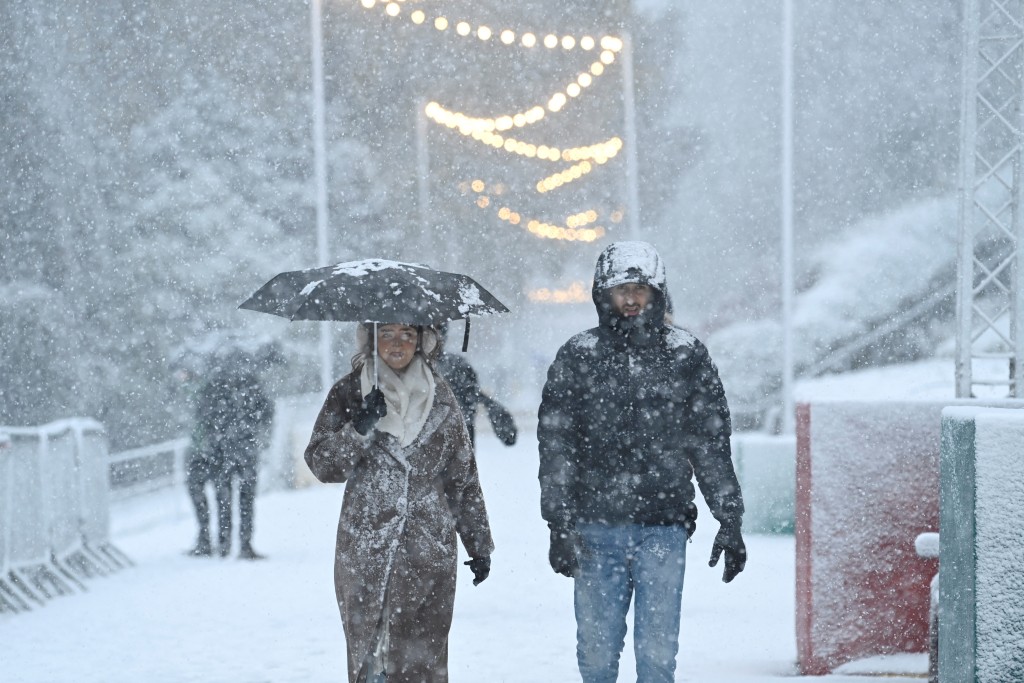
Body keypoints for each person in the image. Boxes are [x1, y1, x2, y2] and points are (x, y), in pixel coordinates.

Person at [537, 241, 746, 683]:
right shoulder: (578, 356)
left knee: (657, 658)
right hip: (595, 528)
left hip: (663, 528)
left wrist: (729, 519)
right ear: (602, 294)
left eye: (640, 289)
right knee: (596, 659)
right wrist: (559, 523)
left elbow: (710, 443)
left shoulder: (686, 355)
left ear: (658, 293)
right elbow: (557, 446)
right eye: (620, 290)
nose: (631, 299)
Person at [304, 322, 494, 683]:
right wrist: (359, 428)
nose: (397, 343)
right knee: (371, 662)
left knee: (422, 664)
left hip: (428, 551)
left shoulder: (442, 396)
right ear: (372, 339)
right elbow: (322, 464)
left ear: (422, 341)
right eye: (387, 333)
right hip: (366, 550)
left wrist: (479, 543)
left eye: (407, 334)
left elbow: (463, 477)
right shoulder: (348, 391)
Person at [188, 356, 274, 560]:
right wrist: (253, 430)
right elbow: (267, 412)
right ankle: (245, 545)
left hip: (221, 452)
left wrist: (215, 437)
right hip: (246, 450)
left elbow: (202, 416)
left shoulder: (213, 386)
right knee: (246, 499)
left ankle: (224, 543)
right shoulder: (251, 384)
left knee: (223, 498)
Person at [434, 324, 518, 449]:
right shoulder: (456, 366)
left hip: (455, 448)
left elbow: (474, 395)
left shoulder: (456, 366)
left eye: (437, 331)